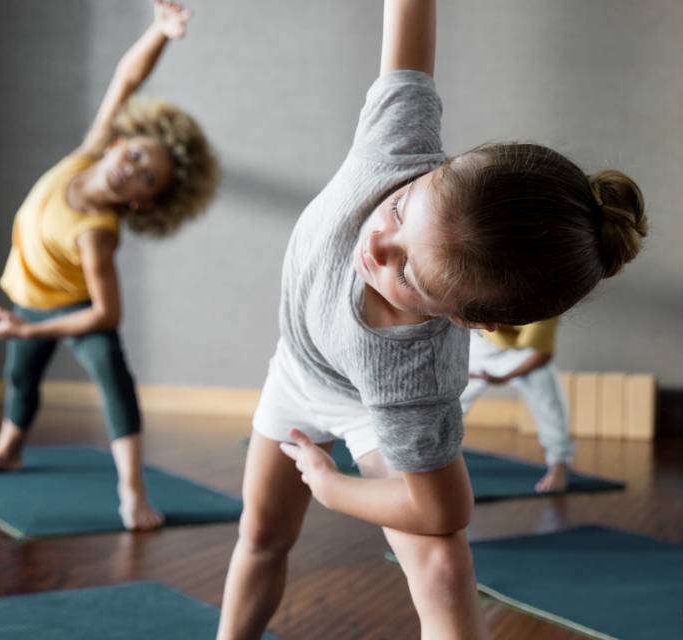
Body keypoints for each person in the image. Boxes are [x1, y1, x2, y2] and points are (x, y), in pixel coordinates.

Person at [216, 1, 647, 637]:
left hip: (368, 404)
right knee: (260, 532)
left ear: (470, 323)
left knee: (443, 563)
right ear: (435, 170)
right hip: (300, 372)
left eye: (407, 274)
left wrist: (333, 489)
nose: (378, 245)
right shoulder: (398, 147)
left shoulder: (412, 373)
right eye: (401, 209)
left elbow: (443, 508)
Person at [0, 0, 219, 532]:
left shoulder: (96, 234)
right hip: (31, 296)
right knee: (20, 378)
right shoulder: (88, 152)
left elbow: (105, 315)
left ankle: (133, 491)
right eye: (136, 157)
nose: (131, 172)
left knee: (112, 377)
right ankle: (8, 448)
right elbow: (126, 78)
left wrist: (32, 327)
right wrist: (161, 32)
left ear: (143, 204)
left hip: (68, 309)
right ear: (118, 142)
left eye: (147, 181)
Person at [461, 319, 575, 492]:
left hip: (519, 354)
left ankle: (559, 464)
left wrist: (501, 379)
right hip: (477, 345)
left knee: (549, 400)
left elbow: (541, 355)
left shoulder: (545, 303)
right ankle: (436, 462)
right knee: (448, 403)